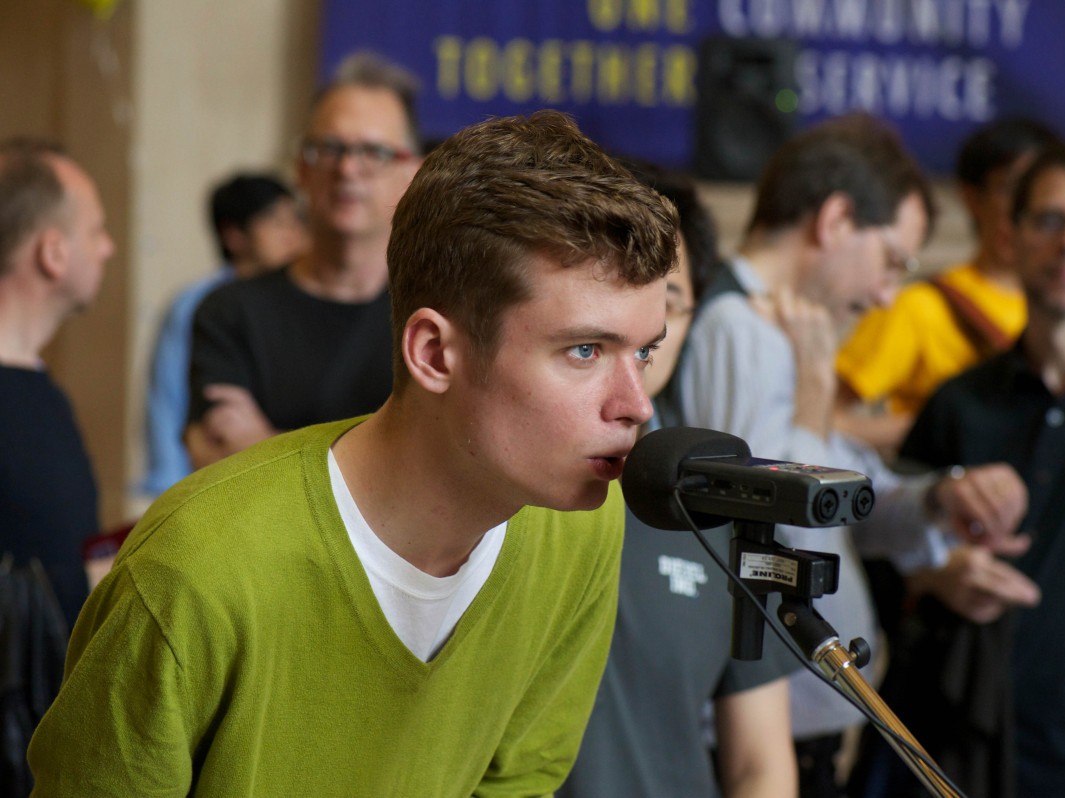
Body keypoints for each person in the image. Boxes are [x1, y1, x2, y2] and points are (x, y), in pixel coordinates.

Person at [28, 110, 678, 795]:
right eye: (584, 350)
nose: (636, 404)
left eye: (645, 351)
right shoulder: (194, 571)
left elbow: (519, 782)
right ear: (434, 353)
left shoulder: (584, 520)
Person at [677, 116, 1032, 798]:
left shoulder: (786, 329)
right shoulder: (740, 327)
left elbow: (842, 487)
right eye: (892, 259)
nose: (885, 294)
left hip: (795, 718)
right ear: (836, 219)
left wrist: (936, 498)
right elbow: (768, 532)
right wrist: (814, 395)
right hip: (756, 727)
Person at [859, 141, 1065, 798]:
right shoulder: (956, 404)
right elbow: (881, 558)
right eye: (1049, 220)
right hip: (952, 755)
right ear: (1010, 238)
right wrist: (937, 574)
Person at [560, 160, 797, 798]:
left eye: (665, 302)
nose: (640, 332)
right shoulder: (492, 478)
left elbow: (761, 765)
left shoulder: (727, 501)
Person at [185, 51, 423, 468]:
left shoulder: (437, 315)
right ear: (300, 167)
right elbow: (217, 463)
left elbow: (437, 469)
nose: (348, 169)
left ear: (413, 172)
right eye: (330, 148)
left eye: (374, 152)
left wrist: (265, 443)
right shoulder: (232, 313)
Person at [835, 118, 1060, 454]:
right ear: (972, 198)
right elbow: (825, 419)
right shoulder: (920, 307)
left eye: (1044, 192)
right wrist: (934, 428)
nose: (1031, 208)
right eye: (1014, 189)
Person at [0, 138, 114, 793]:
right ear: (52, 252)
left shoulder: (40, 393)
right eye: (96, 231)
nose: (108, 247)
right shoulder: (22, 409)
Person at [141, 172, 308, 498]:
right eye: (275, 221)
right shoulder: (201, 305)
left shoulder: (295, 300)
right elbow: (166, 401)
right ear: (234, 235)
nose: (293, 234)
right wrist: (169, 488)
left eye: (294, 220)